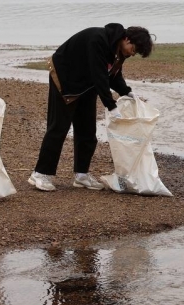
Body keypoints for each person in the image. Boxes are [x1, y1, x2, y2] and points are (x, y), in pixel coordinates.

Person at [29, 24, 154, 192]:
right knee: (59, 127)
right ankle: (40, 174)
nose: (133, 53)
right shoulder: (99, 40)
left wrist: (127, 92)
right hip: (65, 78)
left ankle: (81, 175)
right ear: (126, 39)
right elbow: (99, 74)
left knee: (87, 130)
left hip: (87, 84)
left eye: (136, 52)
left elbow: (113, 75)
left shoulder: (118, 50)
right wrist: (111, 105)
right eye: (134, 48)